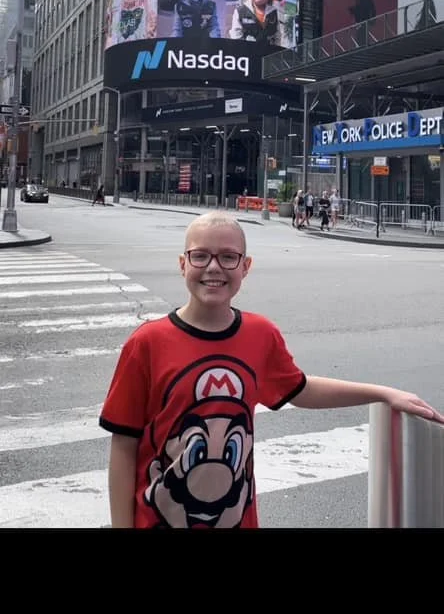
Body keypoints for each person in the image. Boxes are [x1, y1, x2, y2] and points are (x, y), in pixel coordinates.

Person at [99, 211, 443, 529]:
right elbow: (123, 448)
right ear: (182, 264)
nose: (214, 267)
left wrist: (383, 393)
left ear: (245, 266)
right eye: (200, 255)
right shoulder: (147, 342)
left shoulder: (260, 335)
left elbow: (301, 389)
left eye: (228, 257)